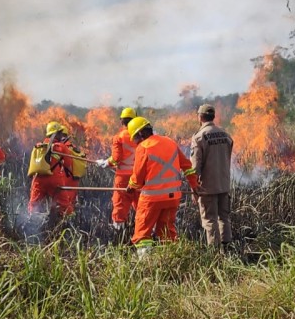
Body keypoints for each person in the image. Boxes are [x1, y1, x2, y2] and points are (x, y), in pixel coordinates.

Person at [125, 117, 198, 254]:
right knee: (167, 233)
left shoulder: (144, 147)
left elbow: (138, 177)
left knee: (142, 233)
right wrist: (194, 186)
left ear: (141, 134)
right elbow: (187, 167)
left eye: (135, 138)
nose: (135, 142)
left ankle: (145, 266)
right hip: (173, 198)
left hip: (152, 199)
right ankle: (170, 261)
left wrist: (131, 186)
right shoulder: (170, 142)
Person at [190, 104, 234, 249]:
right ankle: (227, 250)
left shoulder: (199, 137)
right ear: (213, 116)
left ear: (200, 117)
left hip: (207, 187)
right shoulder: (225, 135)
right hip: (224, 184)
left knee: (210, 220)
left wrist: (194, 188)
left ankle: (214, 254)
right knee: (224, 218)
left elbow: (195, 168)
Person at [96, 107, 139, 230]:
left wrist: (105, 162)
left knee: (120, 204)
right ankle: (145, 230)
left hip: (123, 178)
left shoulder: (119, 137)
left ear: (122, 122)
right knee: (141, 205)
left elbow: (116, 158)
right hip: (139, 176)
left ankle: (119, 233)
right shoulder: (141, 136)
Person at [28, 121, 77, 220]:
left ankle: (30, 222)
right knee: (65, 206)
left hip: (38, 179)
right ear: (56, 134)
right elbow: (68, 164)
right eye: (59, 133)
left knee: (33, 205)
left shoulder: (38, 145)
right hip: (54, 180)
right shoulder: (61, 147)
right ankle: (71, 224)